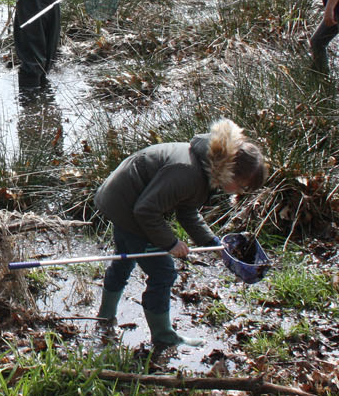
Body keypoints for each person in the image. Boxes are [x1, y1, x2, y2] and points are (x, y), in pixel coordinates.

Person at [94, 118, 266, 348]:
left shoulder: (205, 167)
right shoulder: (187, 172)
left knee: (124, 260)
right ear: (231, 171)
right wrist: (171, 243)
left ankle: (105, 318)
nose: (240, 192)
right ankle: (164, 337)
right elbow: (145, 211)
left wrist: (212, 243)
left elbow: (187, 211)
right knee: (163, 272)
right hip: (125, 205)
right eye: (243, 186)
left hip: (123, 198)